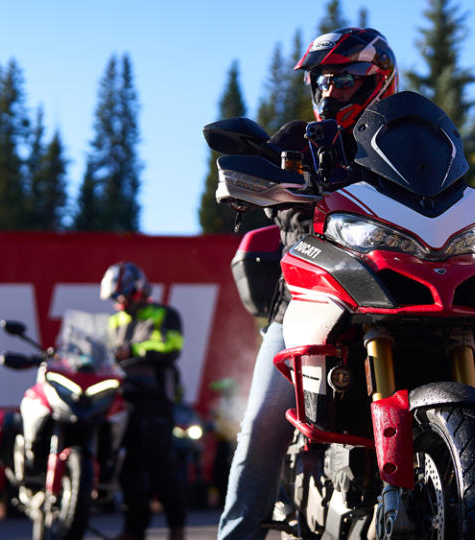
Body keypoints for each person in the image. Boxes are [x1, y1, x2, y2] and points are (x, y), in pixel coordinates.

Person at [217, 27, 398, 539]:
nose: (329, 92)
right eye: (322, 81)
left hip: (393, 293)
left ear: (376, 79)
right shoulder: (298, 139)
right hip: (306, 301)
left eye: (342, 79)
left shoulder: (404, 139)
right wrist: (243, 180)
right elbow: (256, 173)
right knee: (262, 424)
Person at [101, 261, 187, 540]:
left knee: (160, 465)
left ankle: (177, 529)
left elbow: (172, 347)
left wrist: (134, 349)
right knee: (128, 467)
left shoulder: (164, 314)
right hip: (123, 402)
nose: (120, 302)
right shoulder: (115, 321)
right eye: (116, 298)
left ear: (138, 290)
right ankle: (133, 530)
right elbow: (103, 355)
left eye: (123, 295)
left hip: (156, 400)